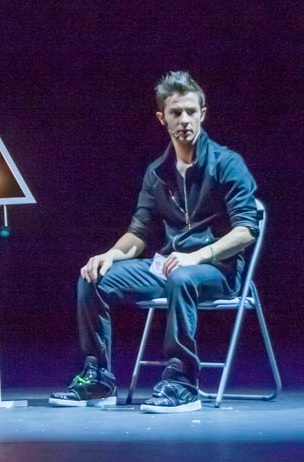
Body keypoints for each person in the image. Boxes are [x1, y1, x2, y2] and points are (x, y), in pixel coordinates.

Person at [49, 71, 260, 413]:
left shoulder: (227, 163)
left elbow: (247, 230)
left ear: (203, 114)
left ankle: (182, 382)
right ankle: (98, 379)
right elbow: (140, 232)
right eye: (176, 113)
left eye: (191, 111)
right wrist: (110, 255)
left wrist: (198, 256)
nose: (185, 119)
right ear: (162, 118)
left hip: (218, 269)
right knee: (93, 278)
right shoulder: (157, 172)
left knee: (181, 276)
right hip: (169, 266)